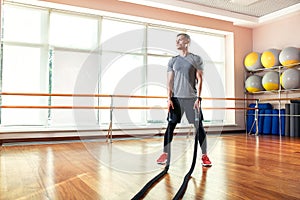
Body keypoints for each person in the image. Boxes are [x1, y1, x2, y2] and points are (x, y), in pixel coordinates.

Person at [156, 33, 212, 167]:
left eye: (180, 40)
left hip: (192, 99)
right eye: (176, 40)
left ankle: (204, 155)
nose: (177, 43)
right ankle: (165, 153)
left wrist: (198, 98)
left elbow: (200, 79)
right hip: (176, 99)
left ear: (187, 41)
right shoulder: (173, 61)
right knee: (170, 126)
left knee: (199, 127)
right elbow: (169, 81)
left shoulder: (196, 59)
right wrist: (169, 99)